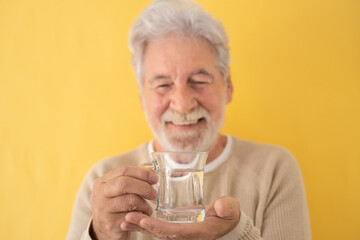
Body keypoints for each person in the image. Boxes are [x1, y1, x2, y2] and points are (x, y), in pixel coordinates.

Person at [66, 0, 311, 239]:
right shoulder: (105, 181)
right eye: (163, 84)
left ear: (227, 87)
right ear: (142, 96)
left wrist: (236, 233)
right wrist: (102, 235)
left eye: (199, 81)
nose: (182, 104)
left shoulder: (274, 170)